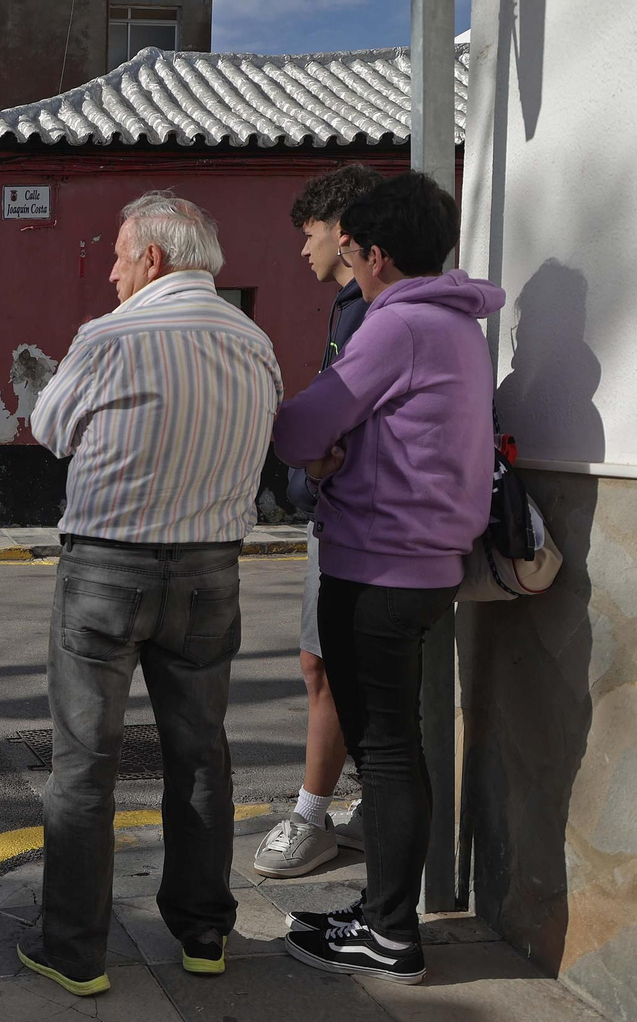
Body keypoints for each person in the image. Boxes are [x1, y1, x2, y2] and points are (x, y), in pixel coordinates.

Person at [21, 191, 283, 996]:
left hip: (107, 566)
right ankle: (204, 934)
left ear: (155, 260)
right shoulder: (256, 341)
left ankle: (75, 951)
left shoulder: (110, 337)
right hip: (210, 568)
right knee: (200, 754)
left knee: (85, 764)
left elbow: (50, 431)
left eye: (118, 256)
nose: (110, 271)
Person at [274, 172, 500, 985]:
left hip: (377, 566)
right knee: (397, 747)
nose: (348, 264)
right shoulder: (456, 325)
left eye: (352, 251)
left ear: (373, 253)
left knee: (390, 753)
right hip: (427, 565)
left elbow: (304, 424)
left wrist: (319, 447)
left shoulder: (393, 325)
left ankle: (391, 934)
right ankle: (382, 916)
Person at [248, 166, 384, 880]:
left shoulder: (370, 311)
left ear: (345, 232)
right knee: (326, 664)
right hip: (339, 513)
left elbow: (328, 421)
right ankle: (356, 803)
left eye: (310, 235)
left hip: (354, 519)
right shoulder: (353, 307)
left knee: (324, 664)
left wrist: (306, 471)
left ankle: (310, 815)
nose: (304, 250)